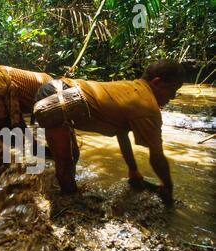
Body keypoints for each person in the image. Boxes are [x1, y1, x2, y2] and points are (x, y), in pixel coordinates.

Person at [35, 59, 185, 203]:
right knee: (65, 166)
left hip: (56, 89)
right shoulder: (148, 106)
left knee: (72, 156)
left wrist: (133, 169)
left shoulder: (130, 87)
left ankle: (52, 191)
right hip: (58, 99)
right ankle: (69, 207)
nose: (172, 97)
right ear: (157, 82)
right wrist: (168, 187)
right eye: (172, 90)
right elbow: (157, 158)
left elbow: (122, 133)